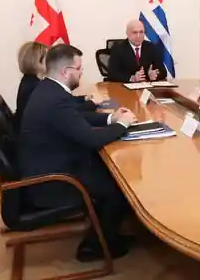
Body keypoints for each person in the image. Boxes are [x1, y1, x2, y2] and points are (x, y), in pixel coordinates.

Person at [17, 44, 137, 262]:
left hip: (51, 163)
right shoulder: (55, 99)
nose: (82, 72)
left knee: (109, 170)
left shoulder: (49, 90)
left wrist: (111, 118)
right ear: (65, 72)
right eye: (79, 68)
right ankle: (98, 246)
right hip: (52, 181)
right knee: (118, 185)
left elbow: (76, 118)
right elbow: (90, 139)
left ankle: (105, 231)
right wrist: (123, 125)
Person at [14, 41, 99, 132]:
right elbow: (66, 111)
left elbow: (66, 102)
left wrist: (84, 99)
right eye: (48, 57)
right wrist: (92, 103)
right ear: (36, 61)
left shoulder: (32, 81)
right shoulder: (34, 87)